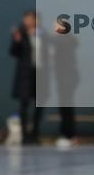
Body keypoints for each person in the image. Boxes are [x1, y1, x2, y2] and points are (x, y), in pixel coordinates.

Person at [10, 10, 46, 145]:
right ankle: (24, 136)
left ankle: (35, 134)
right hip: (25, 74)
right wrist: (17, 41)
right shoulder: (20, 33)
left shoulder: (43, 34)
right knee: (24, 105)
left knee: (39, 105)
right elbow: (13, 52)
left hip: (40, 73)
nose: (27, 21)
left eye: (30, 19)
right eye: (25, 19)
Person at [52, 16, 79, 148]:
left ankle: (69, 135)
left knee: (66, 107)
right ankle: (68, 135)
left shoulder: (64, 40)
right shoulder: (63, 41)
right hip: (64, 78)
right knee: (65, 107)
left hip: (67, 79)